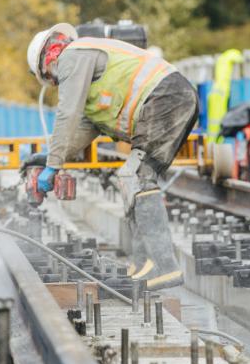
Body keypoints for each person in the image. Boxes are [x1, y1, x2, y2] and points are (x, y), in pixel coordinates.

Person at [26, 23, 199, 290]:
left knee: (138, 177)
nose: (55, 81)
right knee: (130, 178)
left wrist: (53, 167)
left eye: (50, 78)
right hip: (169, 99)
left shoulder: (72, 55)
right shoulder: (90, 87)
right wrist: (47, 159)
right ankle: (145, 264)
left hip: (166, 97)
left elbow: (67, 114)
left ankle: (167, 267)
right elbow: (78, 133)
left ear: (47, 63)